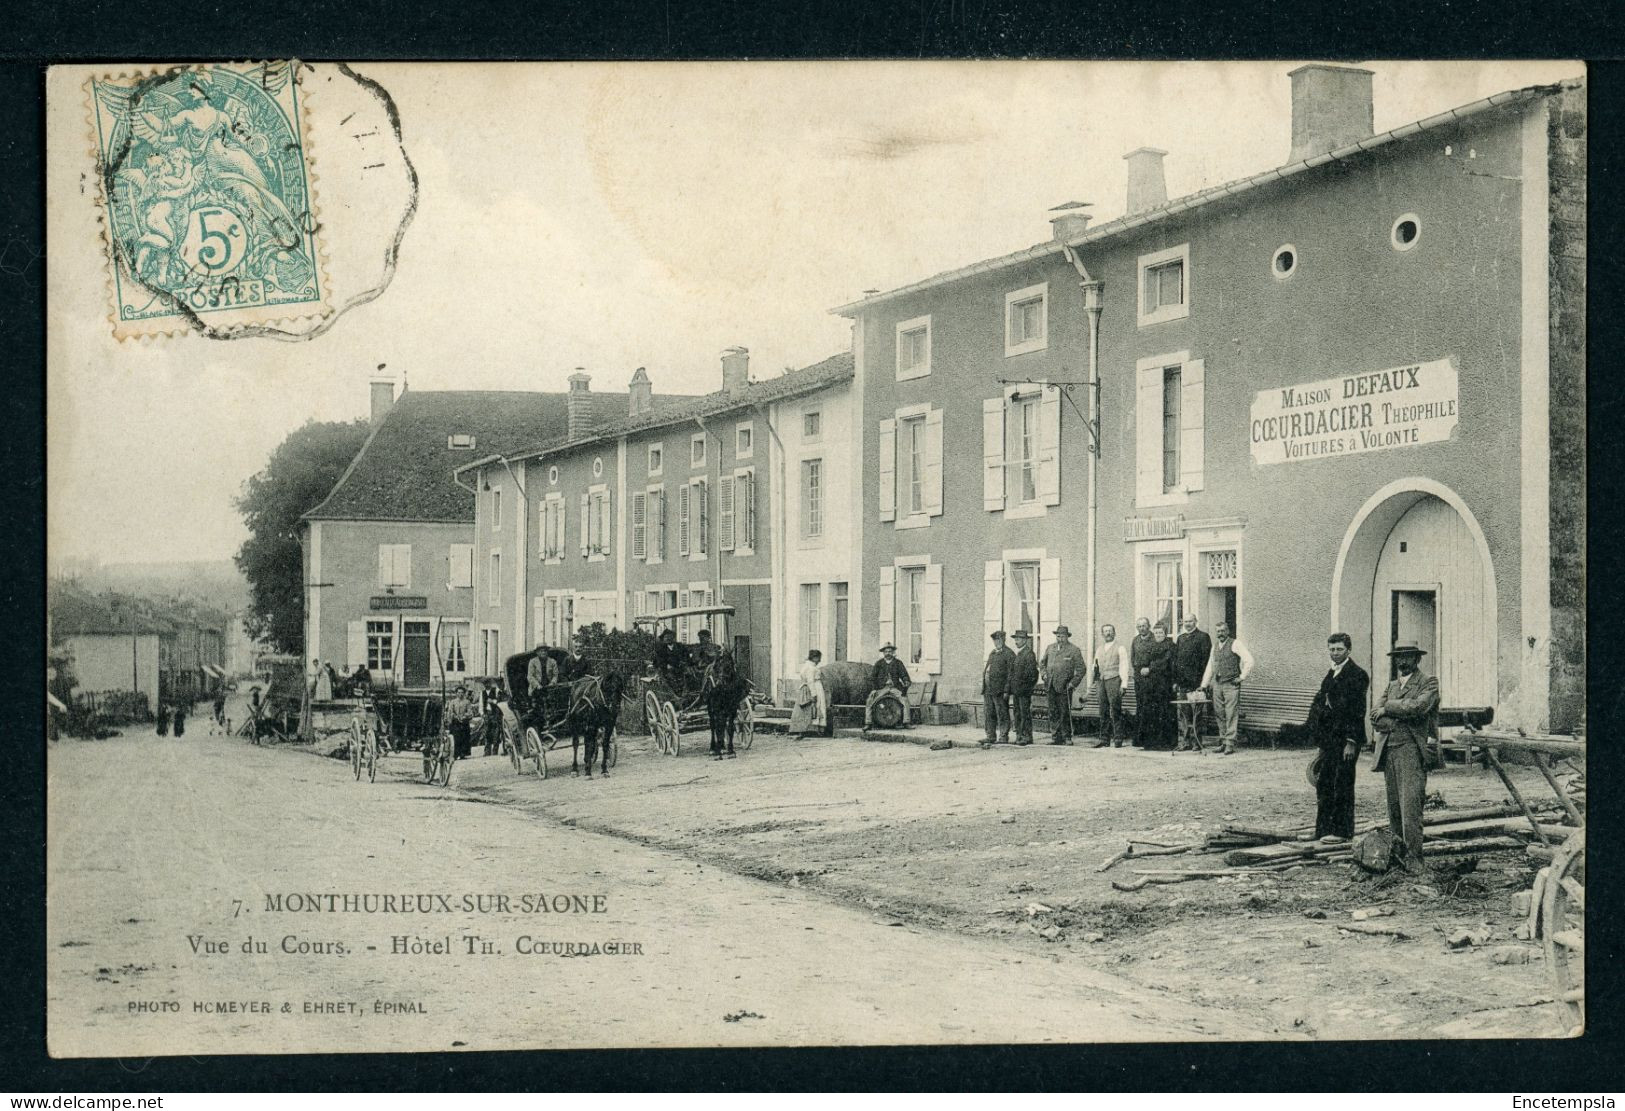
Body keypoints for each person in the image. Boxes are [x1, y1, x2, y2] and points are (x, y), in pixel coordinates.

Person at [1370, 641, 1439, 870]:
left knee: (1410, 807)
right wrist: (1395, 714)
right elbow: (1375, 718)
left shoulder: (1428, 682)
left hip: (1412, 750)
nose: (1402, 661)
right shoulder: (1391, 686)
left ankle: (1415, 859)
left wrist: (1389, 708)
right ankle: (1399, 856)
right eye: (1399, 657)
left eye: (1408, 656)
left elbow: (1418, 708)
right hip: (1389, 750)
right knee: (1394, 807)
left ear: (1417, 659)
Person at [1309, 633, 1371, 841]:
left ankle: (1342, 832)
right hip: (1329, 739)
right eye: (1332, 649)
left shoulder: (1357, 674)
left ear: (1349, 650)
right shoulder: (1331, 673)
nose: (1335, 653)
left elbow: (1357, 711)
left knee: (1342, 784)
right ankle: (1323, 830)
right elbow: (1321, 701)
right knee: (1324, 783)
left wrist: (1351, 742)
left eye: (1339, 650)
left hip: (1345, 740)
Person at [1199, 621, 1255, 755]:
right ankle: (1223, 741)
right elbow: (1210, 667)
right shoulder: (1215, 647)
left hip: (1231, 684)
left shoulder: (1235, 644)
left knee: (1231, 713)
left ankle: (1230, 743)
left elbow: (1249, 660)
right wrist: (1203, 685)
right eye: (1218, 631)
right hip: (1217, 684)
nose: (1221, 634)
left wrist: (1242, 677)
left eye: (1223, 631)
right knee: (1219, 713)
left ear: (1228, 631)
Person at [1039, 624, 1087, 745]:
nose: (1060, 638)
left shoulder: (1073, 650)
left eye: (1063, 636)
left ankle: (1067, 737)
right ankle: (1055, 737)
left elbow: (1082, 669)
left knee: (1064, 712)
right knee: (1053, 712)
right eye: (1058, 636)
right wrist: (1044, 674)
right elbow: (1042, 664)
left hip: (1064, 687)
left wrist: (1073, 683)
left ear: (1067, 637)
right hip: (1050, 685)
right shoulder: (1050, 648)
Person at [1089, 624, 1132, 748]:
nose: (1108, 633)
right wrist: (1095, 678)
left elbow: (1124, 666)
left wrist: (1124, 684)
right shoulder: (1099, 649)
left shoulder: (1120, 648)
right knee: (1103, 710)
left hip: (1114, 680)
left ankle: (1118, 738)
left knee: (1115, 709)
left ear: (1114, 633)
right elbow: (1095, 665)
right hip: (1101, 681)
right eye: (1105, 631)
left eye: (1110, 631)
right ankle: (1104, 738)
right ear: (1102, 634)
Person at [1135, 622, 1176, 749]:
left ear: (1165, 633)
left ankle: (1165, 743)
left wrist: (1150, 668)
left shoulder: (1170, 645)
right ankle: (1150, 743)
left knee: (1164, 712)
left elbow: (1166, 661)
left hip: (1165, 684)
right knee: (1151, 712)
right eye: (1156, 632)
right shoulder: (1152, 645)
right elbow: (1144, 660)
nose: (1158, 635)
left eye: (1161, 632)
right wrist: (1142, 668)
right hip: (1151, 685)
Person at [980, 631, 1014, 749]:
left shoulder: (1009, 654)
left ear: (1004, 640)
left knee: (1002, 713)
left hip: (1000, 690)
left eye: (999, 640)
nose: (996, 642)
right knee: (989, 712)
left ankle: (1003, 736)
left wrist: (1006, 690)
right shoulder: (993, 653)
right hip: (988, 689)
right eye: (995, 640)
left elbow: (1011, 674)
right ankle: (990, 735)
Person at [1009, 630, 1038, 746]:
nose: (1016, 641)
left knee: (1024, 713)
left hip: (1024, 691)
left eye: (1019, 639)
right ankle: (1019, 736)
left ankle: (1027, 736)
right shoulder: (1019, 654)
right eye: (1015, 639)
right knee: (1017, 713)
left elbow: (1033, 675)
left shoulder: (1029, 654)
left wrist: (1026, 688)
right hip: (1017, 690)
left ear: (1025, 640)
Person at [791, 649, 827, 736]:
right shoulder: (811, 668)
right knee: (819, 706)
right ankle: (818, 728)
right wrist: (814, 694)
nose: (819, 660)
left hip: (810, 687)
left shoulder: (807, 666)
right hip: (815, 687)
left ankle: (811, 728)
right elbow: (810, 681)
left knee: (810, 708)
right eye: (818, 658)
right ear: (814, 658)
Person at [1173, 617, 1212, 697]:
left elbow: (1206, 659)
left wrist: (1203, 681)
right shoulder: (1180, 638)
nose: (1187, 624)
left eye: (1190, 621)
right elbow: (1177, 659)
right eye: (1186, 621)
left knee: (1198, 706)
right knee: (1184, 707)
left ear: (1196, 622)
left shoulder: (1203, 636)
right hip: (1183, 681)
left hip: (1197, 680)